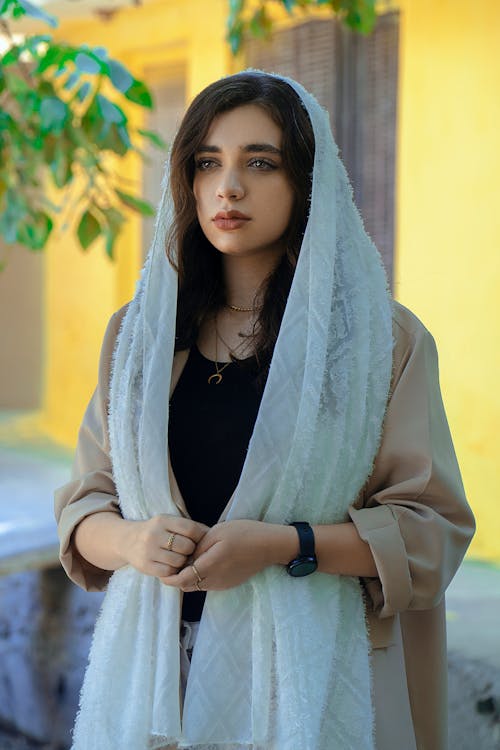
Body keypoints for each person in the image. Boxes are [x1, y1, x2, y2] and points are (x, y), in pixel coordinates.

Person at [54, 70, 475, 750]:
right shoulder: (138, 338)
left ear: (307, 182)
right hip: (161, 683)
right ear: (185, 182)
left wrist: (285, 546)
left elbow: (430, 532)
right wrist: (133, 541)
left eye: (260, 162)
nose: (229, 187)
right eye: (207, 163)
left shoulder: (380, 342)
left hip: (310, 689)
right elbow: (84, 506)